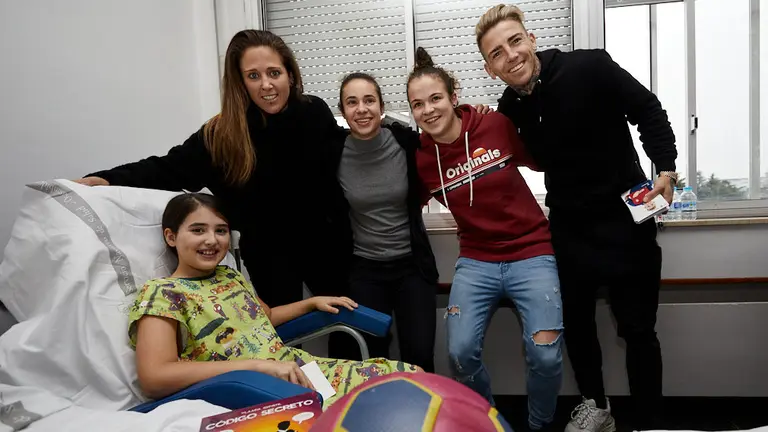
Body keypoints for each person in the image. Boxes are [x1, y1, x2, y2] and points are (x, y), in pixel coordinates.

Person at [74, 30, 352, 358]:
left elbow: (351, 148)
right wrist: (106, 179)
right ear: (240, 82)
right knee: (278, 343)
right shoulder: (222, 134)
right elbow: (167, 168)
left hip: (328, 243)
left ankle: (350, 385)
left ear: (290, 75)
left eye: (274, 73)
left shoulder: (314, 112)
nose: (266, 85)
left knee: (347, 321)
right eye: (253, 76)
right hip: (270, 254)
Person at [475, 5, 678, 431]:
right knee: (578, 327)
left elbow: (648, 109)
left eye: (515, 41)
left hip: (626, 220)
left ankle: (650, 422)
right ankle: (597, 409)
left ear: (531, 40)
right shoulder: (508, 108)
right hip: (569, 229)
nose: (510, 55)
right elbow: (493, 151)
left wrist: (666, 169)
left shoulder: (589, 66)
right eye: (496, 53)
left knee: (638, 330)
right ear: (490, 69)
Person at [129, 192, 421, 408]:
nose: (212, 240)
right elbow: (155, 376)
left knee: (412, 379)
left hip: (296, 370)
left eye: (220, 230)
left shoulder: (229, 276)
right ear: (171, 237)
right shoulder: (163, 293)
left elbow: (264, 318)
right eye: (198, 230)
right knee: (381, 408)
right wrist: (255, 367)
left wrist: (310, 303)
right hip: (255, 389)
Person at [406, 46, 563, 432]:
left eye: (435, 98)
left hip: (532, 251)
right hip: (477, 260)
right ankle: (488, 423)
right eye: (417, 104)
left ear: (453, 97)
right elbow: (400, 201)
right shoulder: (422, 159)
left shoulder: (494, 125)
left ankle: (539, 425)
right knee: (460, 354)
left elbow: (543, 157)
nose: (428, 110)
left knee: (545, 354)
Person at [330, 73, 439, 372]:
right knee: (373, 358)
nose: (361, 109)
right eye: (352, 102)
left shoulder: (406, 142)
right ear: (342, 110)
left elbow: (448, 140)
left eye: (369, 100)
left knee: (419, 354)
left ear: (381, 106)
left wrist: (473, 113)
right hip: (365, 270)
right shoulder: (333, 153)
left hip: (411, 266)